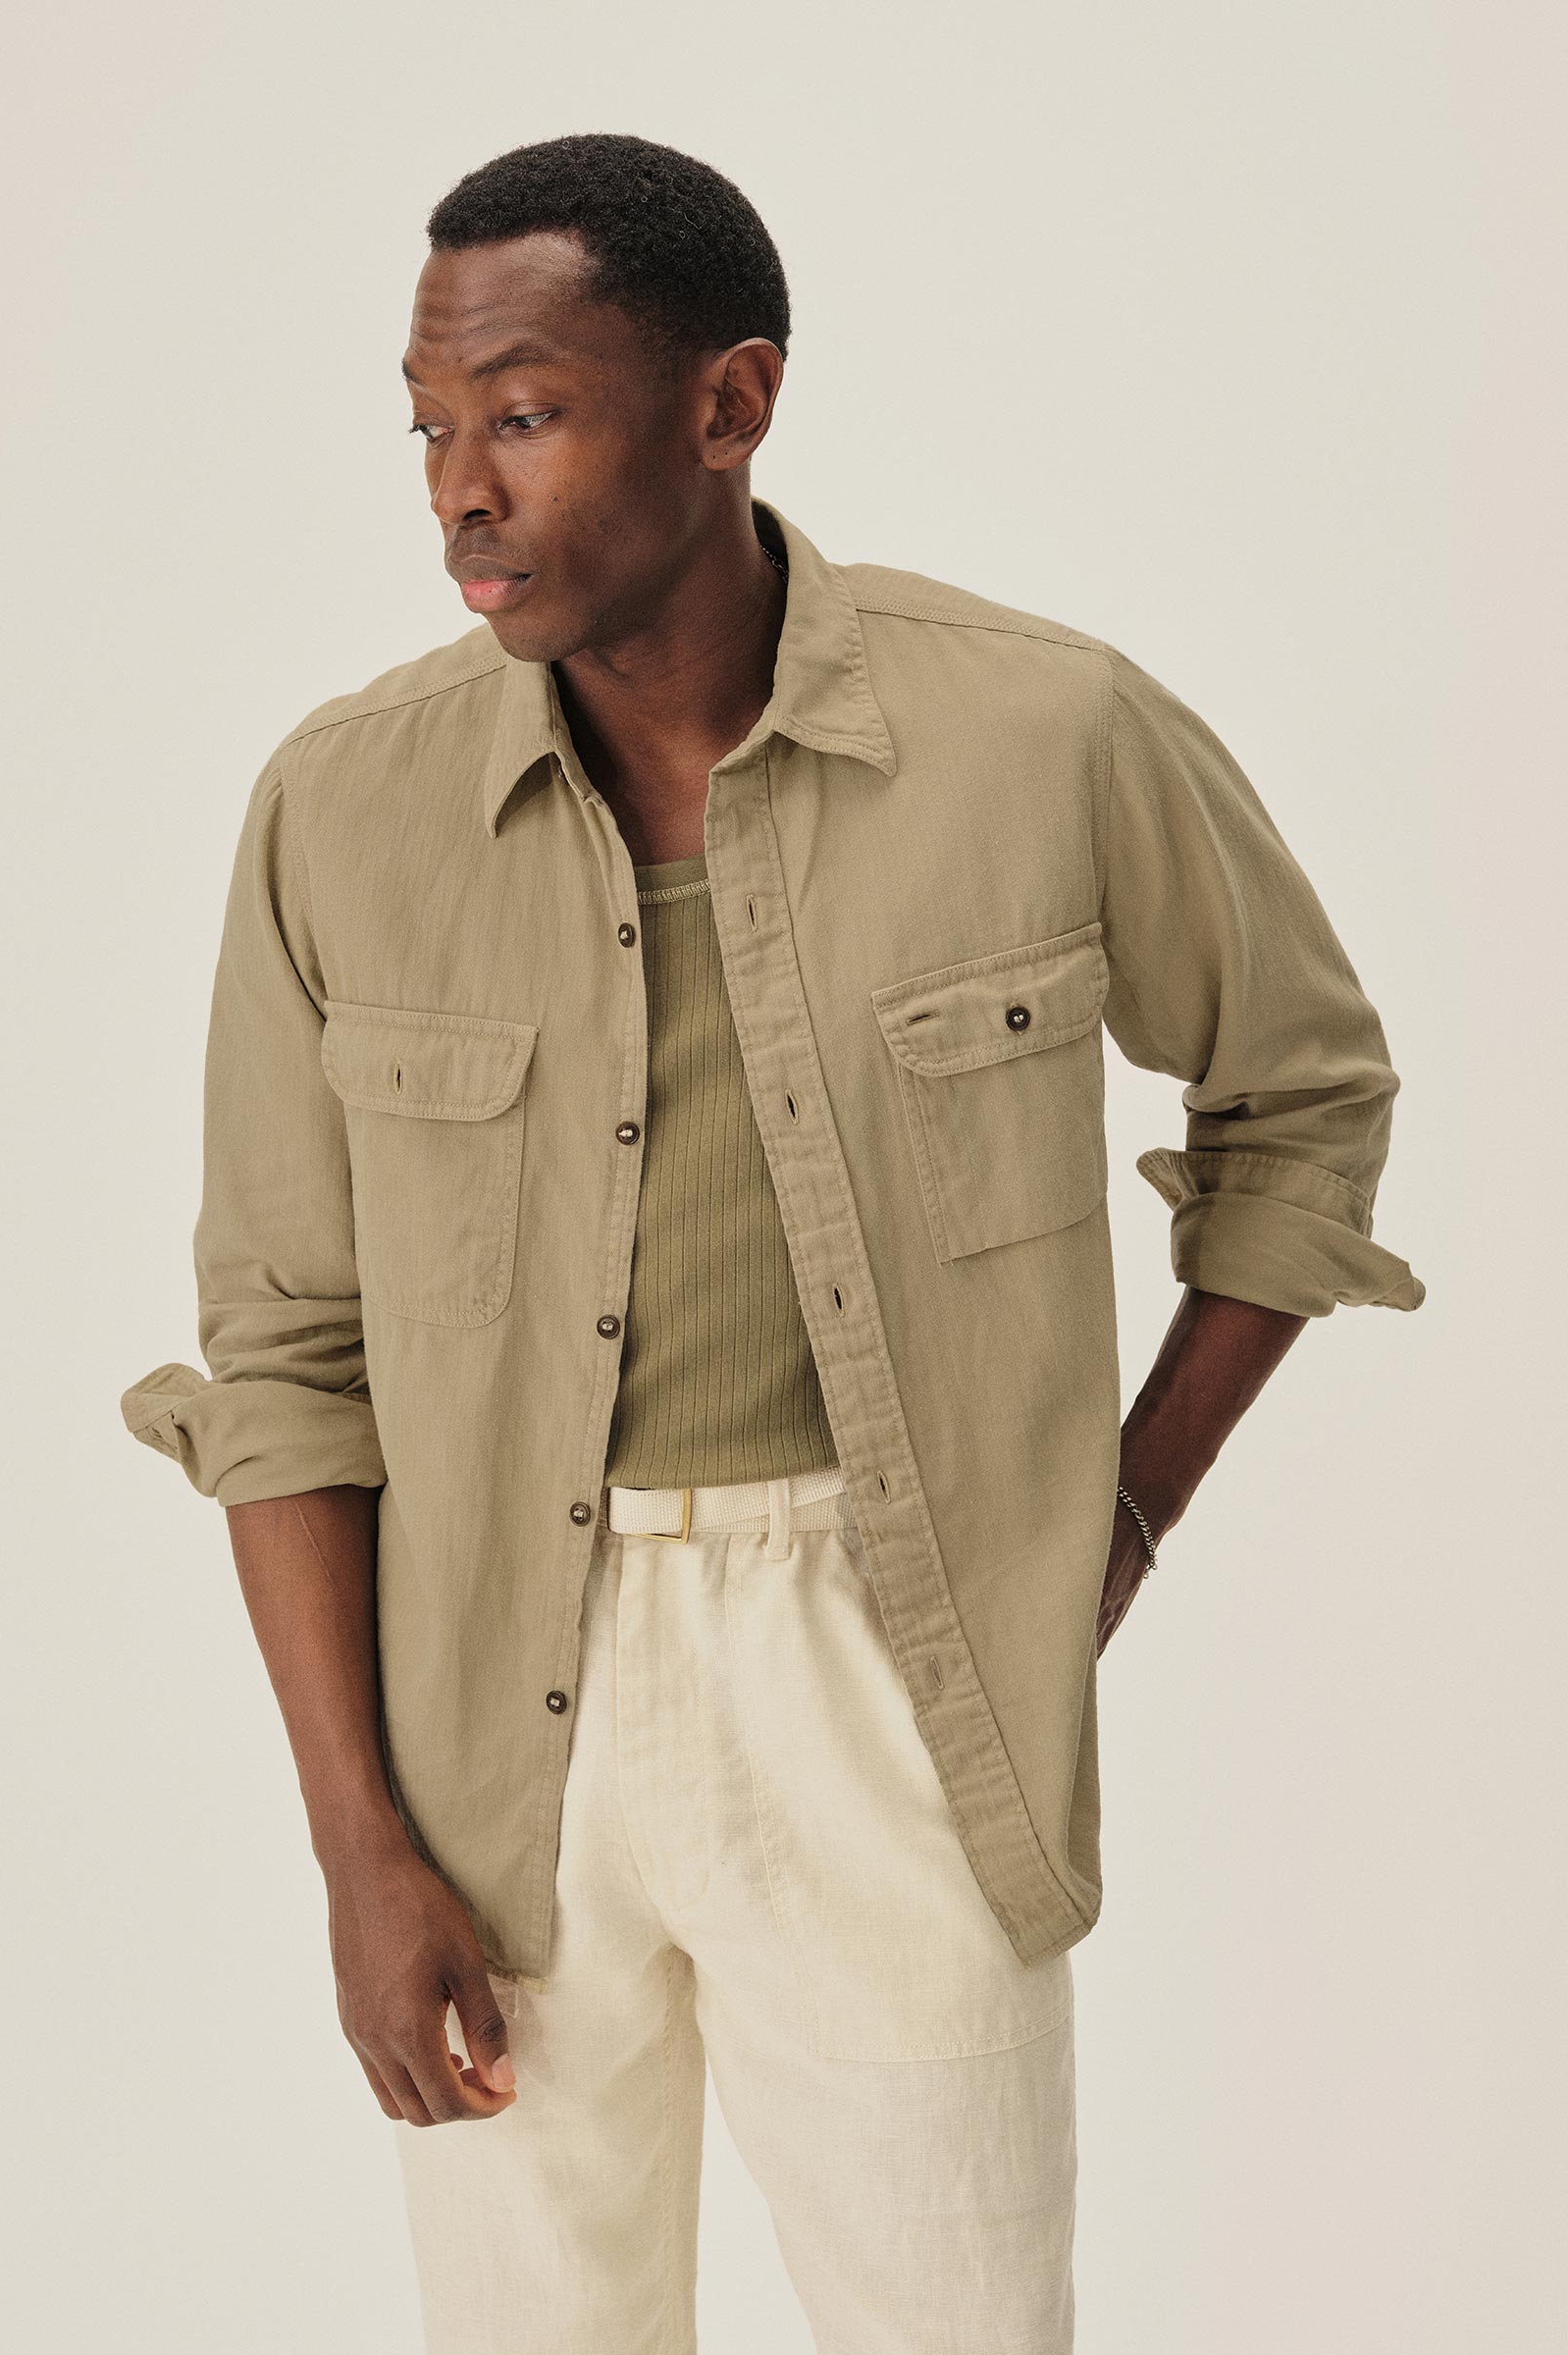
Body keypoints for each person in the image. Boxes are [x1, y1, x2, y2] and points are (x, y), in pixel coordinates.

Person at [120, 131, 1424, 2354]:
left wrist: (1116, 1515)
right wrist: (359, 1848)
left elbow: (1302, 1101)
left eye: (524, 415)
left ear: (731, 403)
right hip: (487, 1719)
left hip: (888, 1673)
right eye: (427, 429)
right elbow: (287, 1355)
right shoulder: (342, 806)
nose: (458, 494)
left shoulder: (1045, 732)